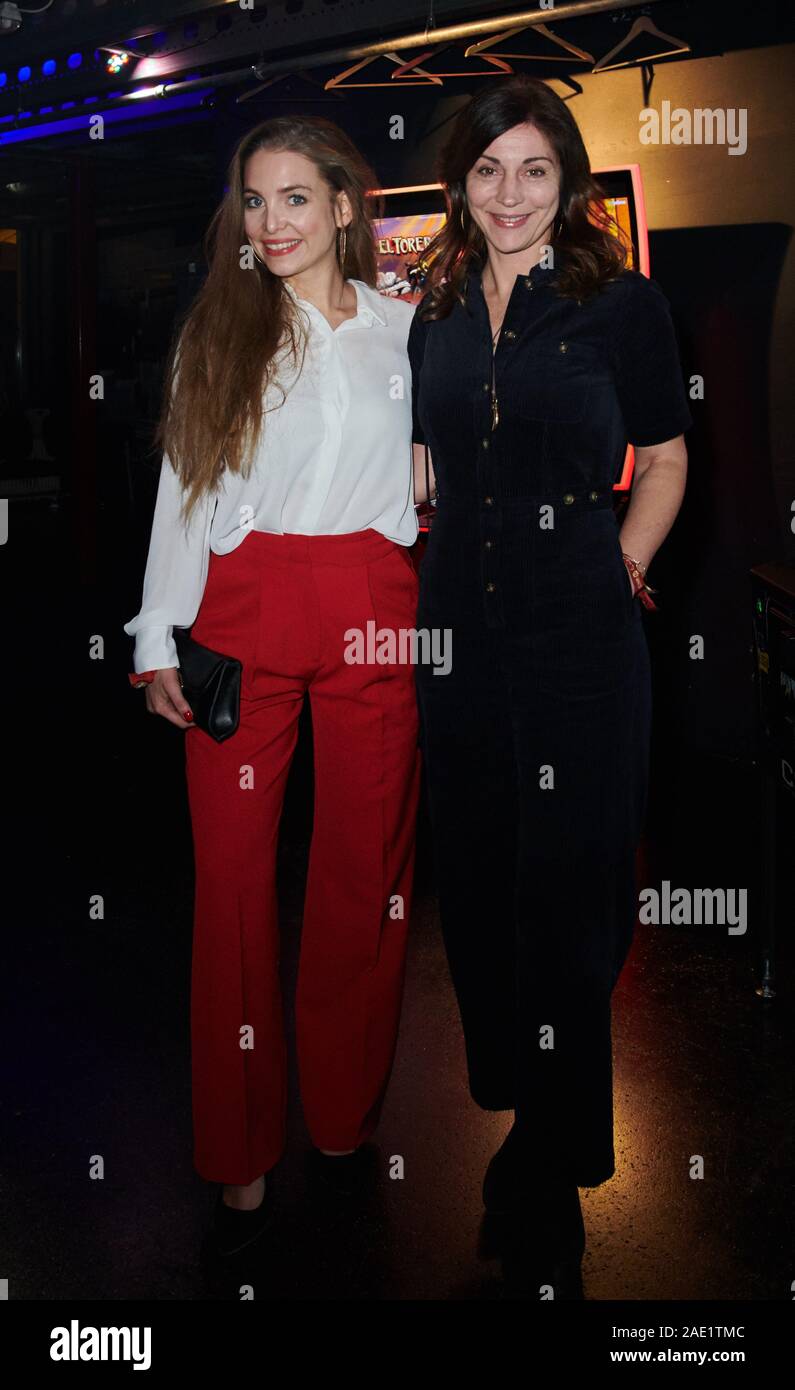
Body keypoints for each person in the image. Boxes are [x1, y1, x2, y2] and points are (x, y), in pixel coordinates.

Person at [407, 75, 692, 1297]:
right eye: (487, 170)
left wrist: (619, 566)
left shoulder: (622, 305)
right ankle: (516, 1101)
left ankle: (557, 1163)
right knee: (474, 895)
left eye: (533, 169)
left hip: (579, 642)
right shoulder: (430, 315)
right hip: (461, 638)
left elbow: (670, 461)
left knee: (572, 905)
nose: (511, 194)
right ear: (459, 185)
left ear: (566, 181)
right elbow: (422, 456)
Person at [123, 116, 422, 1258]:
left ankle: (343, 1116)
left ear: (346, 205)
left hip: (376, 604)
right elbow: (183, 491)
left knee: (367, 878)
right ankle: (239, 1146)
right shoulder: (225, 329)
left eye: (297, 199)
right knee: (235, 889)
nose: (273, 223)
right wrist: (157, 637)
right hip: (245, 610)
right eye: (255, 201)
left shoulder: (409, 330)